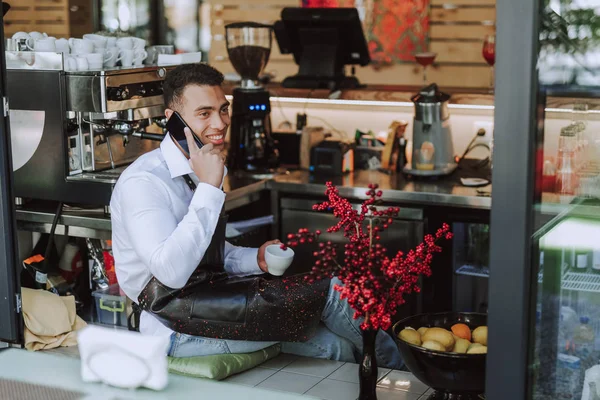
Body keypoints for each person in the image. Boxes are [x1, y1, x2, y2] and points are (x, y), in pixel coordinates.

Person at [110, 63, 402, 368]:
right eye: (204, 113)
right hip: (172, 327)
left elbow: (203, 249)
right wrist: (210, 186)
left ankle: (402, 380)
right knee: (333, 325)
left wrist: (254, 260)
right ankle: (408, 375)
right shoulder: (144, 183)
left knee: (339, 342)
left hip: (209, 301)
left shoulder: (201, 163)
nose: (220, 123)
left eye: (223, 110)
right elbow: (172, 271)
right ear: (172, 120)